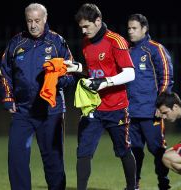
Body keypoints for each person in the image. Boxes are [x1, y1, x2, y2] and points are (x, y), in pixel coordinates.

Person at [0, 3, 81, 190]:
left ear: (45, 19)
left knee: (53, 161)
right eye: (29, 21)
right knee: (16, 158)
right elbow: (5, 73)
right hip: (22, 112)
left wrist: (56, 82)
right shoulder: (15, 43)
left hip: (51, 111)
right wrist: (8, 98)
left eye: (37, 20)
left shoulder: (57, 42)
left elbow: (72, 73)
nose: (33, 25)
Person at [74, 3, 136, 190]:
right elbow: (93, 73)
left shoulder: (115, 41)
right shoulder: (86, 42)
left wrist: (105, 83)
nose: (84, 31)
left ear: (98, 21)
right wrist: (77, 68)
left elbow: (129, 74)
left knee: (123, 150)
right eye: (81, 28)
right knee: (83, 152)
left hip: (116, 107)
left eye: (87, 26)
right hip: (94, 107)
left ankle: (132, 187)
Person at [127, 14, 173, 190]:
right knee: (134, 151)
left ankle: (164, 183)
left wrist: (161, 105)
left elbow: (167, 77)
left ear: (144, 29)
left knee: (157, 149)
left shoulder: (155, 49)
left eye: (134, 28)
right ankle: (134, 184)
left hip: (151, 111)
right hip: (132, 111)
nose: (131, 31)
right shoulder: (127, 51)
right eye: (129, 28)